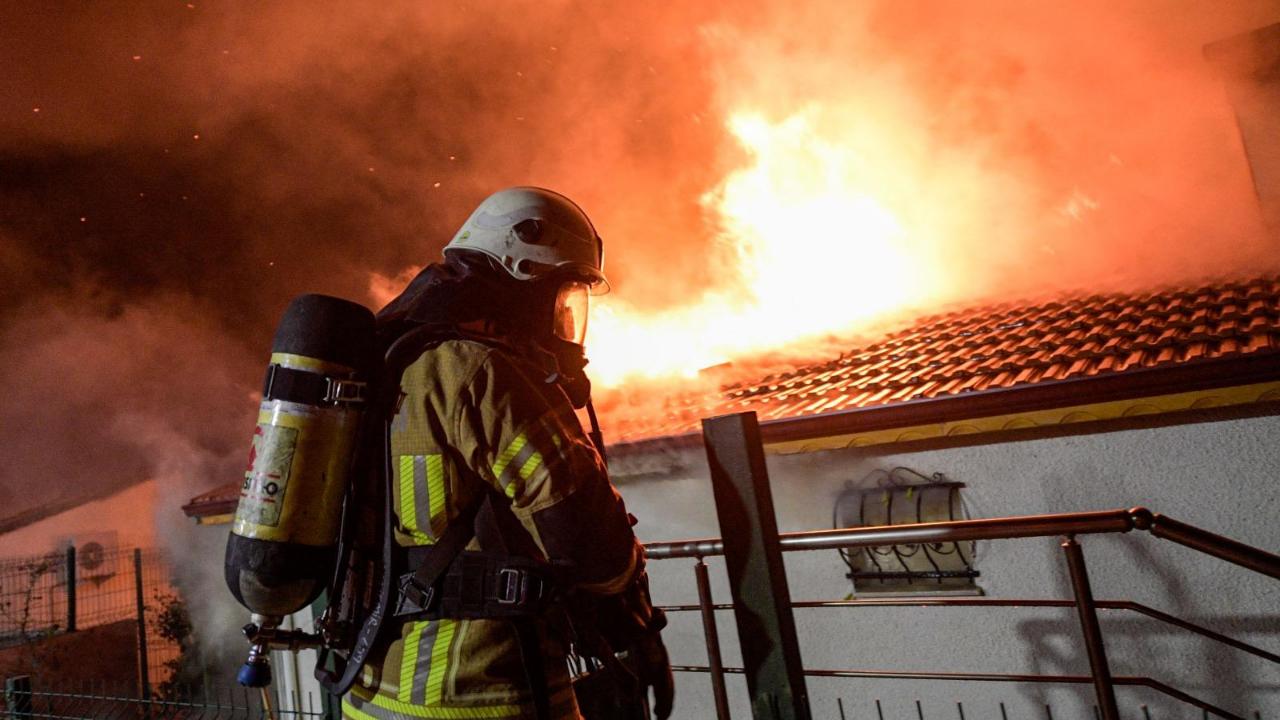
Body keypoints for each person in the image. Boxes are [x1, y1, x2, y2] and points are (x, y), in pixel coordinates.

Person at [339, 187, 674, 720]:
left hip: (370, 693)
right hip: (484, 696)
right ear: (524, 279)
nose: (564, 323)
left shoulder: (389, 366)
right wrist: (639, 629)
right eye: (561, 298)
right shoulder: (489, 375)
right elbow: (590, 539)